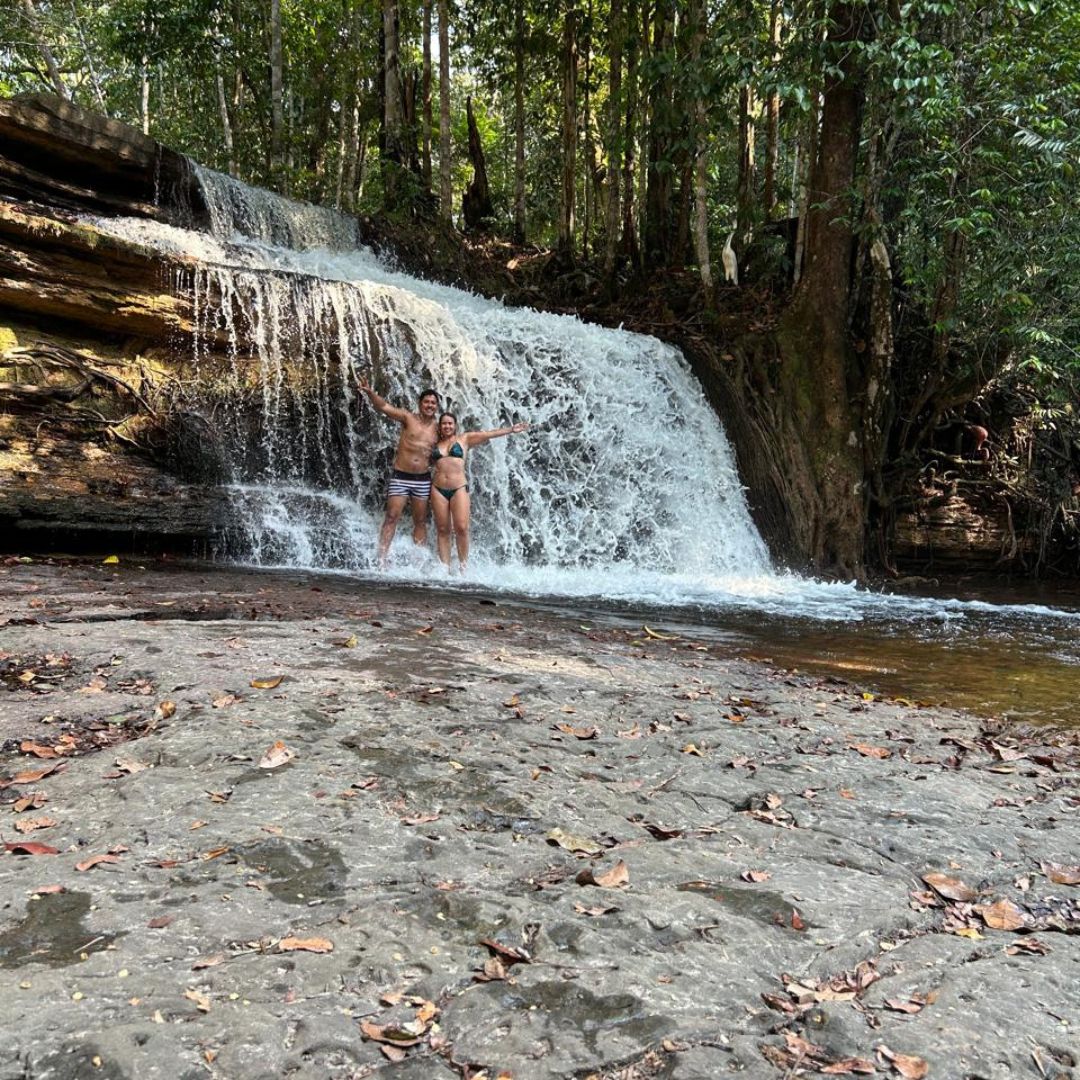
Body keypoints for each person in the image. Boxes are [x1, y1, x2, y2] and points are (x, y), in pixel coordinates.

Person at [430, 411, 529, 572]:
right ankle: (444, 569)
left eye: (450, 423)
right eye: (444, 423)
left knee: (461, 528)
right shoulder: (434, 443)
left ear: (455, 426)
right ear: (440, 426)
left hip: (459, 488)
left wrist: (511, 429)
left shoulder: (464, 439)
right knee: (442, 530)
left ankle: (463, 568)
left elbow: (488, 434)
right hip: (438, 489)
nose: (447, 426)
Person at [358, 379, 440, 565]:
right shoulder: (407, 418)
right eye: (426, 402)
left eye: (433, 403)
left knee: (420, 520)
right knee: (391, 516)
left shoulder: (439, 428)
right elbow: (385, 407)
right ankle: (381, 559)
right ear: (420, 404)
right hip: (401, 477)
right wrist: (370, 392)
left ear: (436, 407)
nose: (429, 405)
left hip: (423, 479)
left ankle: (417, 562)